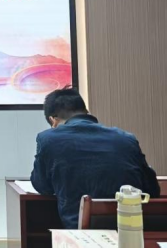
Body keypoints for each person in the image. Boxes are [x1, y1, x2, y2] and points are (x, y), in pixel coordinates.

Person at [31, 87, 160, 229]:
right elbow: (152, 189)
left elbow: (43, 186)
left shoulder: (48, 139)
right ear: (86, 112)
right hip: (133, 228)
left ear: (53, 121)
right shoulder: (126, 138)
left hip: (81, 231)